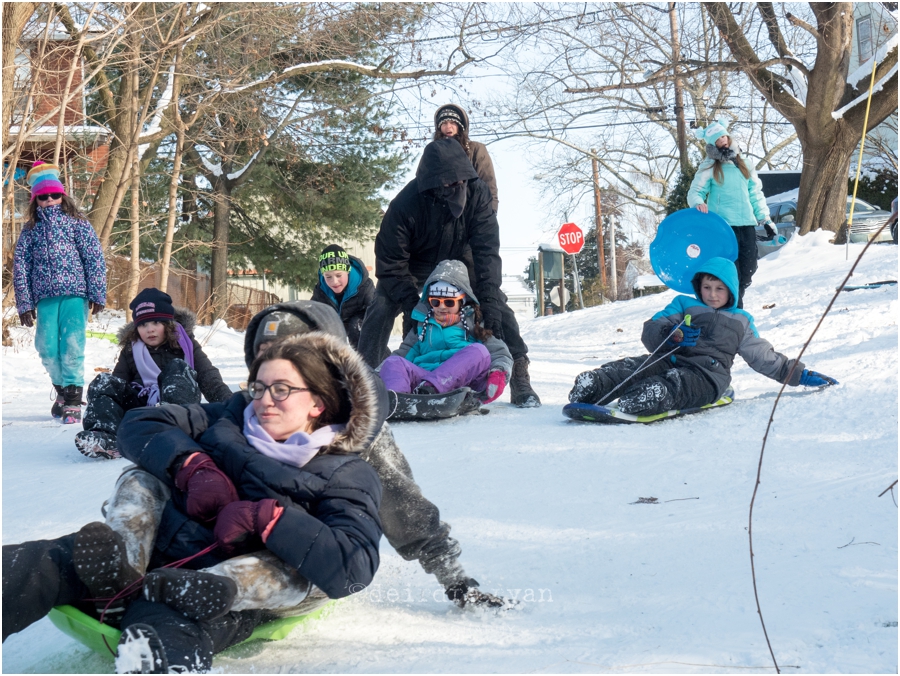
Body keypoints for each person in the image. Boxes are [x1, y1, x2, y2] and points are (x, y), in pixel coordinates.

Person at [3, 331, 384, 673]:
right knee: (48, 559)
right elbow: (138, 424)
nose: (264, 401)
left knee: (166, 619)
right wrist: (193, 465)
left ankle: (168, 612)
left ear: (317, 403)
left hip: (214, 590)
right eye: (259, 387)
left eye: (281, 389)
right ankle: (120, 568)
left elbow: (354, 564)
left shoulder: (344, 474)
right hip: (148, 549)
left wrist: (268, 517)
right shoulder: (229, 417)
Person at [568, 257, 838, 414]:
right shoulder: (685, 304)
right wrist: (671, 334)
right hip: (670, 359)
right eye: (707, 286)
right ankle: (595, 384)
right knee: (635, 366)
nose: (712, 294)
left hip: (708, 376)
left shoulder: (741, 321)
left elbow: (763, 357)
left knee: (675, 383)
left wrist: (798, 374)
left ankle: (651, 395)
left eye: (720, 289)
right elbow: (651, 329)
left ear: (731, 291)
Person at [434, 103, 541, 407]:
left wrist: (482, 227)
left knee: (490, 297)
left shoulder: (476, 150)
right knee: (429, 299)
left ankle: (519, 370)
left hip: (474, 236)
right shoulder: (433, 154)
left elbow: (489, 191)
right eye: (443, 122)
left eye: (454, 121)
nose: (448, 126)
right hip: (439, 242)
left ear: (462, 126)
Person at [75, 288, 233, 460]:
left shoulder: (186, 345)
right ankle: (105, 436)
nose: (149, 329)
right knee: (105, 382)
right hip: (141, 409)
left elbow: (209, 377)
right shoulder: (131, 349)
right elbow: (117, 385)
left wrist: (233, 409)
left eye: (156, 322)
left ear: (167, 323)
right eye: (143, 324)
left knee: (178, 367)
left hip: (180, 408)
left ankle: (171, 430)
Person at [13, 160, 106, 424]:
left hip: (75, 294)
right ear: (35, 200)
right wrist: (24, 303)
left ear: (63, 196)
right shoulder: (30, 231)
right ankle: (63, 393)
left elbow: (94, 258)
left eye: (55, 194)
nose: (50, 199)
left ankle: (74, 400)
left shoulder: (78, 224)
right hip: (44, 298)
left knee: (73, 346)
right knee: (46, 347)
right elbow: (21, 267)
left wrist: (97, 293)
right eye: (43, 196)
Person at [379, 259, 511, 402]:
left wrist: (498, 373)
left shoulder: (475, 322)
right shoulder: (422, 325)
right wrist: (375, 375)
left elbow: (499, 352)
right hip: (423, 380)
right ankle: (396, 400)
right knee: (393, 362)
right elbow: (405, 353)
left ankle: (431, 390)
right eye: (435, 302)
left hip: (464, 383)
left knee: (479, 351)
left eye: (449, 302)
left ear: (462, 300)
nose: (441, 307)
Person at [687, 120, 775, 309]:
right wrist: (698, 203)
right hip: (724, 228)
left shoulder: (744, 164)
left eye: (724, 136)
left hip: (747, 224)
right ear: (712, 144)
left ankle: (733, 304)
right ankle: (735, 311)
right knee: (731, 272)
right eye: (718, 139)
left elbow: (755, 194)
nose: (723, 141)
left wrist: (765, 219)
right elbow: (696, 191)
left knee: (749, 268)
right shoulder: (709, 167)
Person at [310, 243, 375, 348]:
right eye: (328, 276)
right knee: (322, 329)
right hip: (336, 324)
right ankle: (331, 362)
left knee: (357, 326)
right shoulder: (321, 290)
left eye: (339, 275)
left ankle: (376, 362)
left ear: (347, 271)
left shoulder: (364, 286)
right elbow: (312, 312)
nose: (334, 282)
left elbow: (375, 313)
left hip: (359, 323)